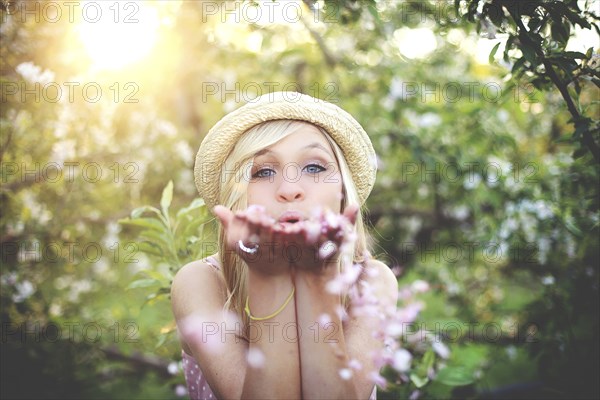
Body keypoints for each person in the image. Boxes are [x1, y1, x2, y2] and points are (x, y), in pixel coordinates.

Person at [171, 91, 398, 399]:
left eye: (315, 168)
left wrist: (319, 277)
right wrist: (268, 276)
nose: (290, 189)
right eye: (263, 171)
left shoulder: (372, 282)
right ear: (236, 197)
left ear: (343, 191)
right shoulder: (201, 282)